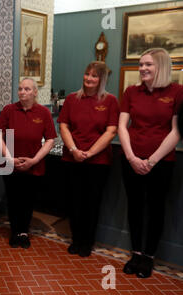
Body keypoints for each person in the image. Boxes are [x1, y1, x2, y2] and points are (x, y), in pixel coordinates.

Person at [118, 48, 183, 278]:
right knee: (135, 207)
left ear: (162, 66)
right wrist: (132, 158)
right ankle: (135, 253)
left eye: (149, 64)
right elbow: (122, 126)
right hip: (131, 161)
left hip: (162, 163)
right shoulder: (131, 92)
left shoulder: (177, 91)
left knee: (156, 210)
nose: (143, 68)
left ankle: (148, 257)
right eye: (141, 64)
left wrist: (151, 161)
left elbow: (177, 131)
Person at [58, 61, 119, 258]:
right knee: (74, 202)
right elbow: (64, 126)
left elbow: (111, 131)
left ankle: (87, 242)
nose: (89, 78)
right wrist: (74, 150)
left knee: (92, 203)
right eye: (87, 74)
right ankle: (76, 239)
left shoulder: (110, 101)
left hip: (98, 162)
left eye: (94, 76)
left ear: (102, 79)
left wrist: (90, 153)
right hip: (72, 158)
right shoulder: (71, 99)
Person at [0, 78, 56, 249]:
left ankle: (24, 232)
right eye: (20, 88)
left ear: (35, 92)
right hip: (10, 164)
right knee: (13, 199)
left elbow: (50, 139)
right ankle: (15, 231)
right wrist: (9, 158)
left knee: (28, 201)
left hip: (33, 165)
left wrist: (35, 160)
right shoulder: (9, 110)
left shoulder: (43, 112)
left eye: (27, 89)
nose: (23, 92)